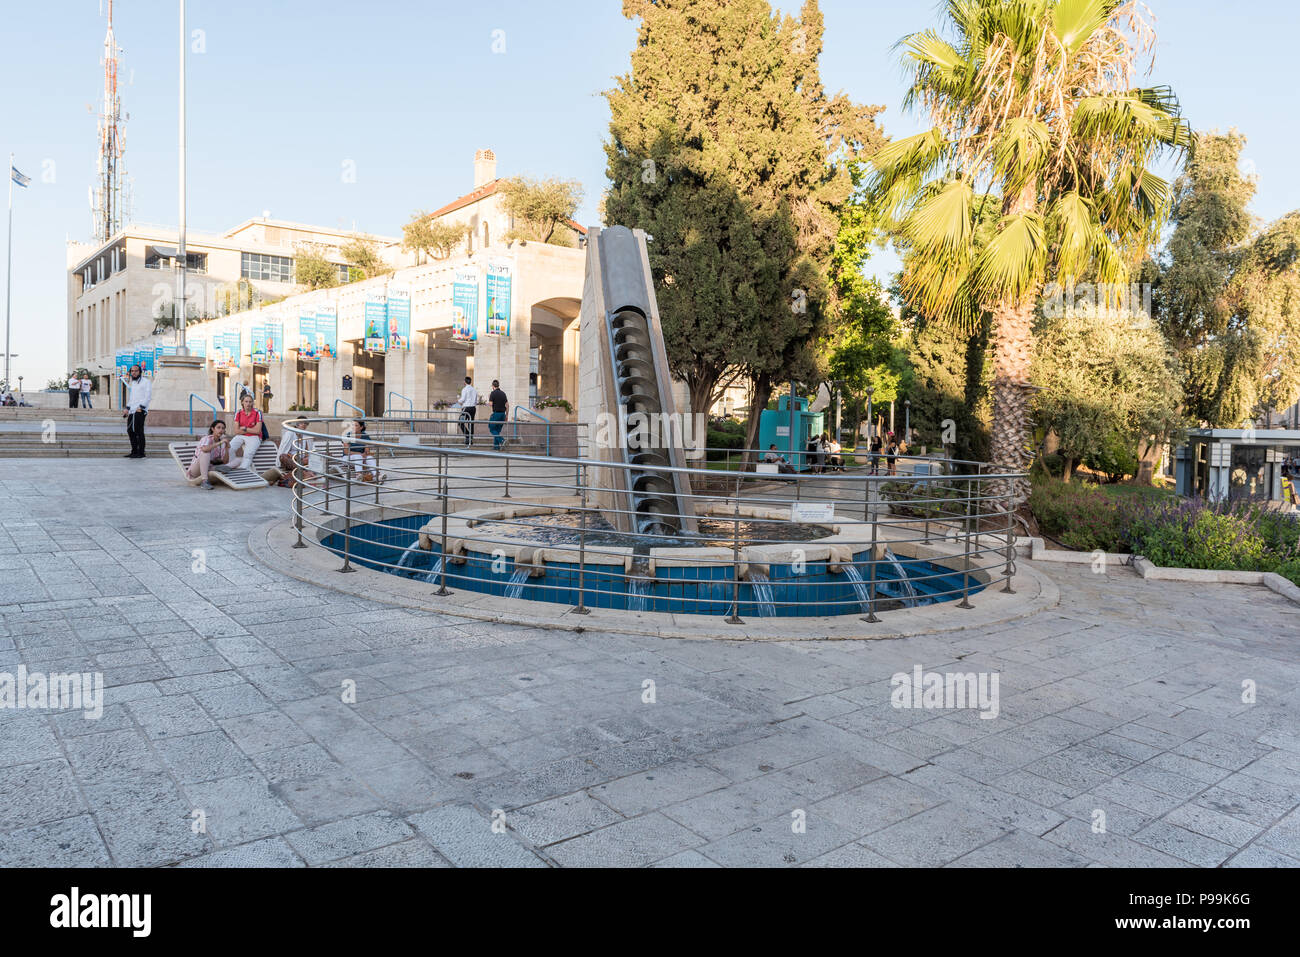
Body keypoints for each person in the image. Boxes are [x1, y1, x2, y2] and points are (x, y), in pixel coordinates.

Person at [186, 420, 231, 489]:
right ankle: (205, 481)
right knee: (205, 453)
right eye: (218, 428)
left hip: (209, 467)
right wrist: (220, 443)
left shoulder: (222, 442)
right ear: (212, 429)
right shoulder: (206, 438)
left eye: (223, 428)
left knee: (238, 460)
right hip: (195, 471)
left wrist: (227, 448)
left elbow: (225, 461)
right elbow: (204, 449)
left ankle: (214, 468)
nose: (221, 430)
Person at [119, 364, 151, 458]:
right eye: (132, 371)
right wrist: (127, 408)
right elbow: (132, 398)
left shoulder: (146, 382)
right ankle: (134, 451)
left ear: (140, 372)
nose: (134, 373)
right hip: (132, 409)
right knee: (130, 430)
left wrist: (141, 407)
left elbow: (148, 396)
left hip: (141, 410)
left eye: (136, 371)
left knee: (138, 430)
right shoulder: (133, 383)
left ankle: (141, 452)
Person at [228, 392, 264, 470]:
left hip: (255, 437)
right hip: (241, 436)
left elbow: (257, 431)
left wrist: (244, 428)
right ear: (242, 402)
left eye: (250, 402)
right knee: (229, 449)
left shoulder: (258, 413)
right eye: (246, 401)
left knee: (248, 454)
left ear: (253, 403)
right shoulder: (238, 413)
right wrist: (251, 430)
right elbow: (236, 431)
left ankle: (243, 470)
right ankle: (230, 466)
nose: (248, 404)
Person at [487, 379, 509, 450]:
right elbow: (507, 405)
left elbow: (490, 404)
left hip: (496, 414)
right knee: (497, 431)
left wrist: (488, 399)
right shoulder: (503, 393)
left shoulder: (492, 393)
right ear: (498, 385)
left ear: (493, 386)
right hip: (503, 414)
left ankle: (502, 440)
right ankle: (496, 447)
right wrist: (507, 415)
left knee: (491, 428)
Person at [457, 376, 478, 446]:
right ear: (470, 382)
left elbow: (462, 399)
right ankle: (470, 439)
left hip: (466, 408)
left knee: (460, 422)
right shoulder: (474, 389)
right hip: (473, 408)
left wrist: (458, 400)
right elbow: (476, 401)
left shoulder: (464, 389)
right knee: (471, 424)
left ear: (465, 382)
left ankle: (468, 437)